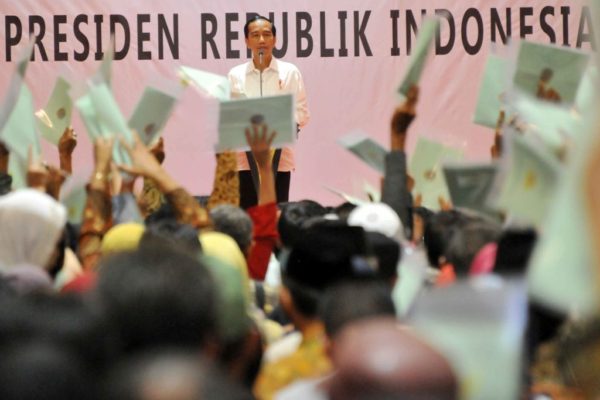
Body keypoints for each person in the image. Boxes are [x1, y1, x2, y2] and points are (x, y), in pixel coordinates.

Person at [228, 15, 310, 209]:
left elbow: (302, 112)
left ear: (275, 39)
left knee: (276, 214)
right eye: (255, 35)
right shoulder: (235, 75)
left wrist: (281, 123)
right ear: (247, 41)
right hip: (245, 159)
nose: (262, 40)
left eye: (266, 34)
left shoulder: (290, 72)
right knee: (248, 216)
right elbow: (231, 115)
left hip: (279, 157)